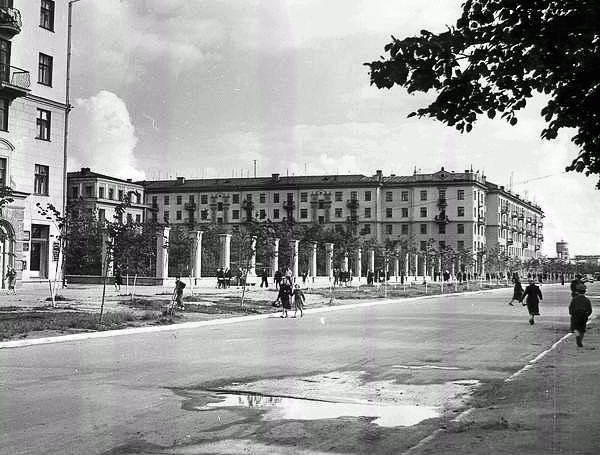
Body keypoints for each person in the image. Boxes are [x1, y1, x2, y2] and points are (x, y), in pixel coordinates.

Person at [569, 282, 593, 347]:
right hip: (584, 315)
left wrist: (571, 313)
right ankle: (580, 340)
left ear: (577, 292)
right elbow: (589, 309)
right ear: (584, 292)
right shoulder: (587, 300)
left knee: (575, 328)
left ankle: (578, 338)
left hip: (575, 315)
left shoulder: (574, 299)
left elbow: (571, 307)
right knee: (582, 329)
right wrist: (587, 315)